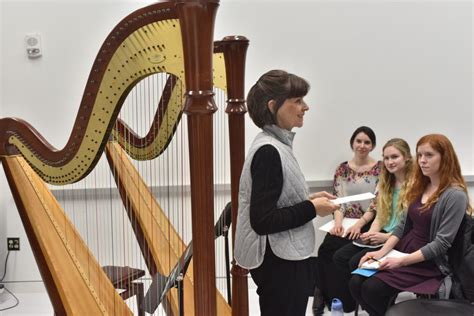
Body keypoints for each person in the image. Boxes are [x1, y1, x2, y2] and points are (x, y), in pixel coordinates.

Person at [233, 69, 339, 316]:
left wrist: (308, 200)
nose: (306, 107)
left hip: (282, 261)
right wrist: (312, 208)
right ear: (274, 106)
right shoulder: (269, 151)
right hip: (279, 264)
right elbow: (263, 220)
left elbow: (278, 200)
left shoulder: (276, 145)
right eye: (298, 101)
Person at [349, 134, 472, 316]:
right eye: (419, 155)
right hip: (404, 249)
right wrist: (381, 253)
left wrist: (400, 261)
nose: (422, 161)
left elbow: (441, 244)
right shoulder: (420, 185)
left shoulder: (455, 195)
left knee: (372, 289)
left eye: (429, 155)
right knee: (355, 282)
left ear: (445, 157)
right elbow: (402, 226)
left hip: (428, 261)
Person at [313, 126, 381, 315]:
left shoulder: (380, 169)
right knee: (326, 249)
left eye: (367, 142)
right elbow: (338, 201)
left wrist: (359, 225)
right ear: (352, 143)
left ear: (373, 145)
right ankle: (324, 294)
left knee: (346, 254)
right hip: (344, 221)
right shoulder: (342, 169)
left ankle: (350, 299)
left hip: (368, 222)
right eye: (358, 141)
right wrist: (337, 224)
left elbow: (376, 204)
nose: (362, 145)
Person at [333, 138, 414, 273]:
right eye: (386, 158)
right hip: (383, 234)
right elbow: (379, 216)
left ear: (406, 157)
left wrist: (387, 237)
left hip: (400, 237)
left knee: (355, 262)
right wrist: (371, 233)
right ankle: (346, 294)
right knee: (340, 257)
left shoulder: (416, 185)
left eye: (394, 157)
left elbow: (414, 226)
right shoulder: (386, 183)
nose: (389, 162)